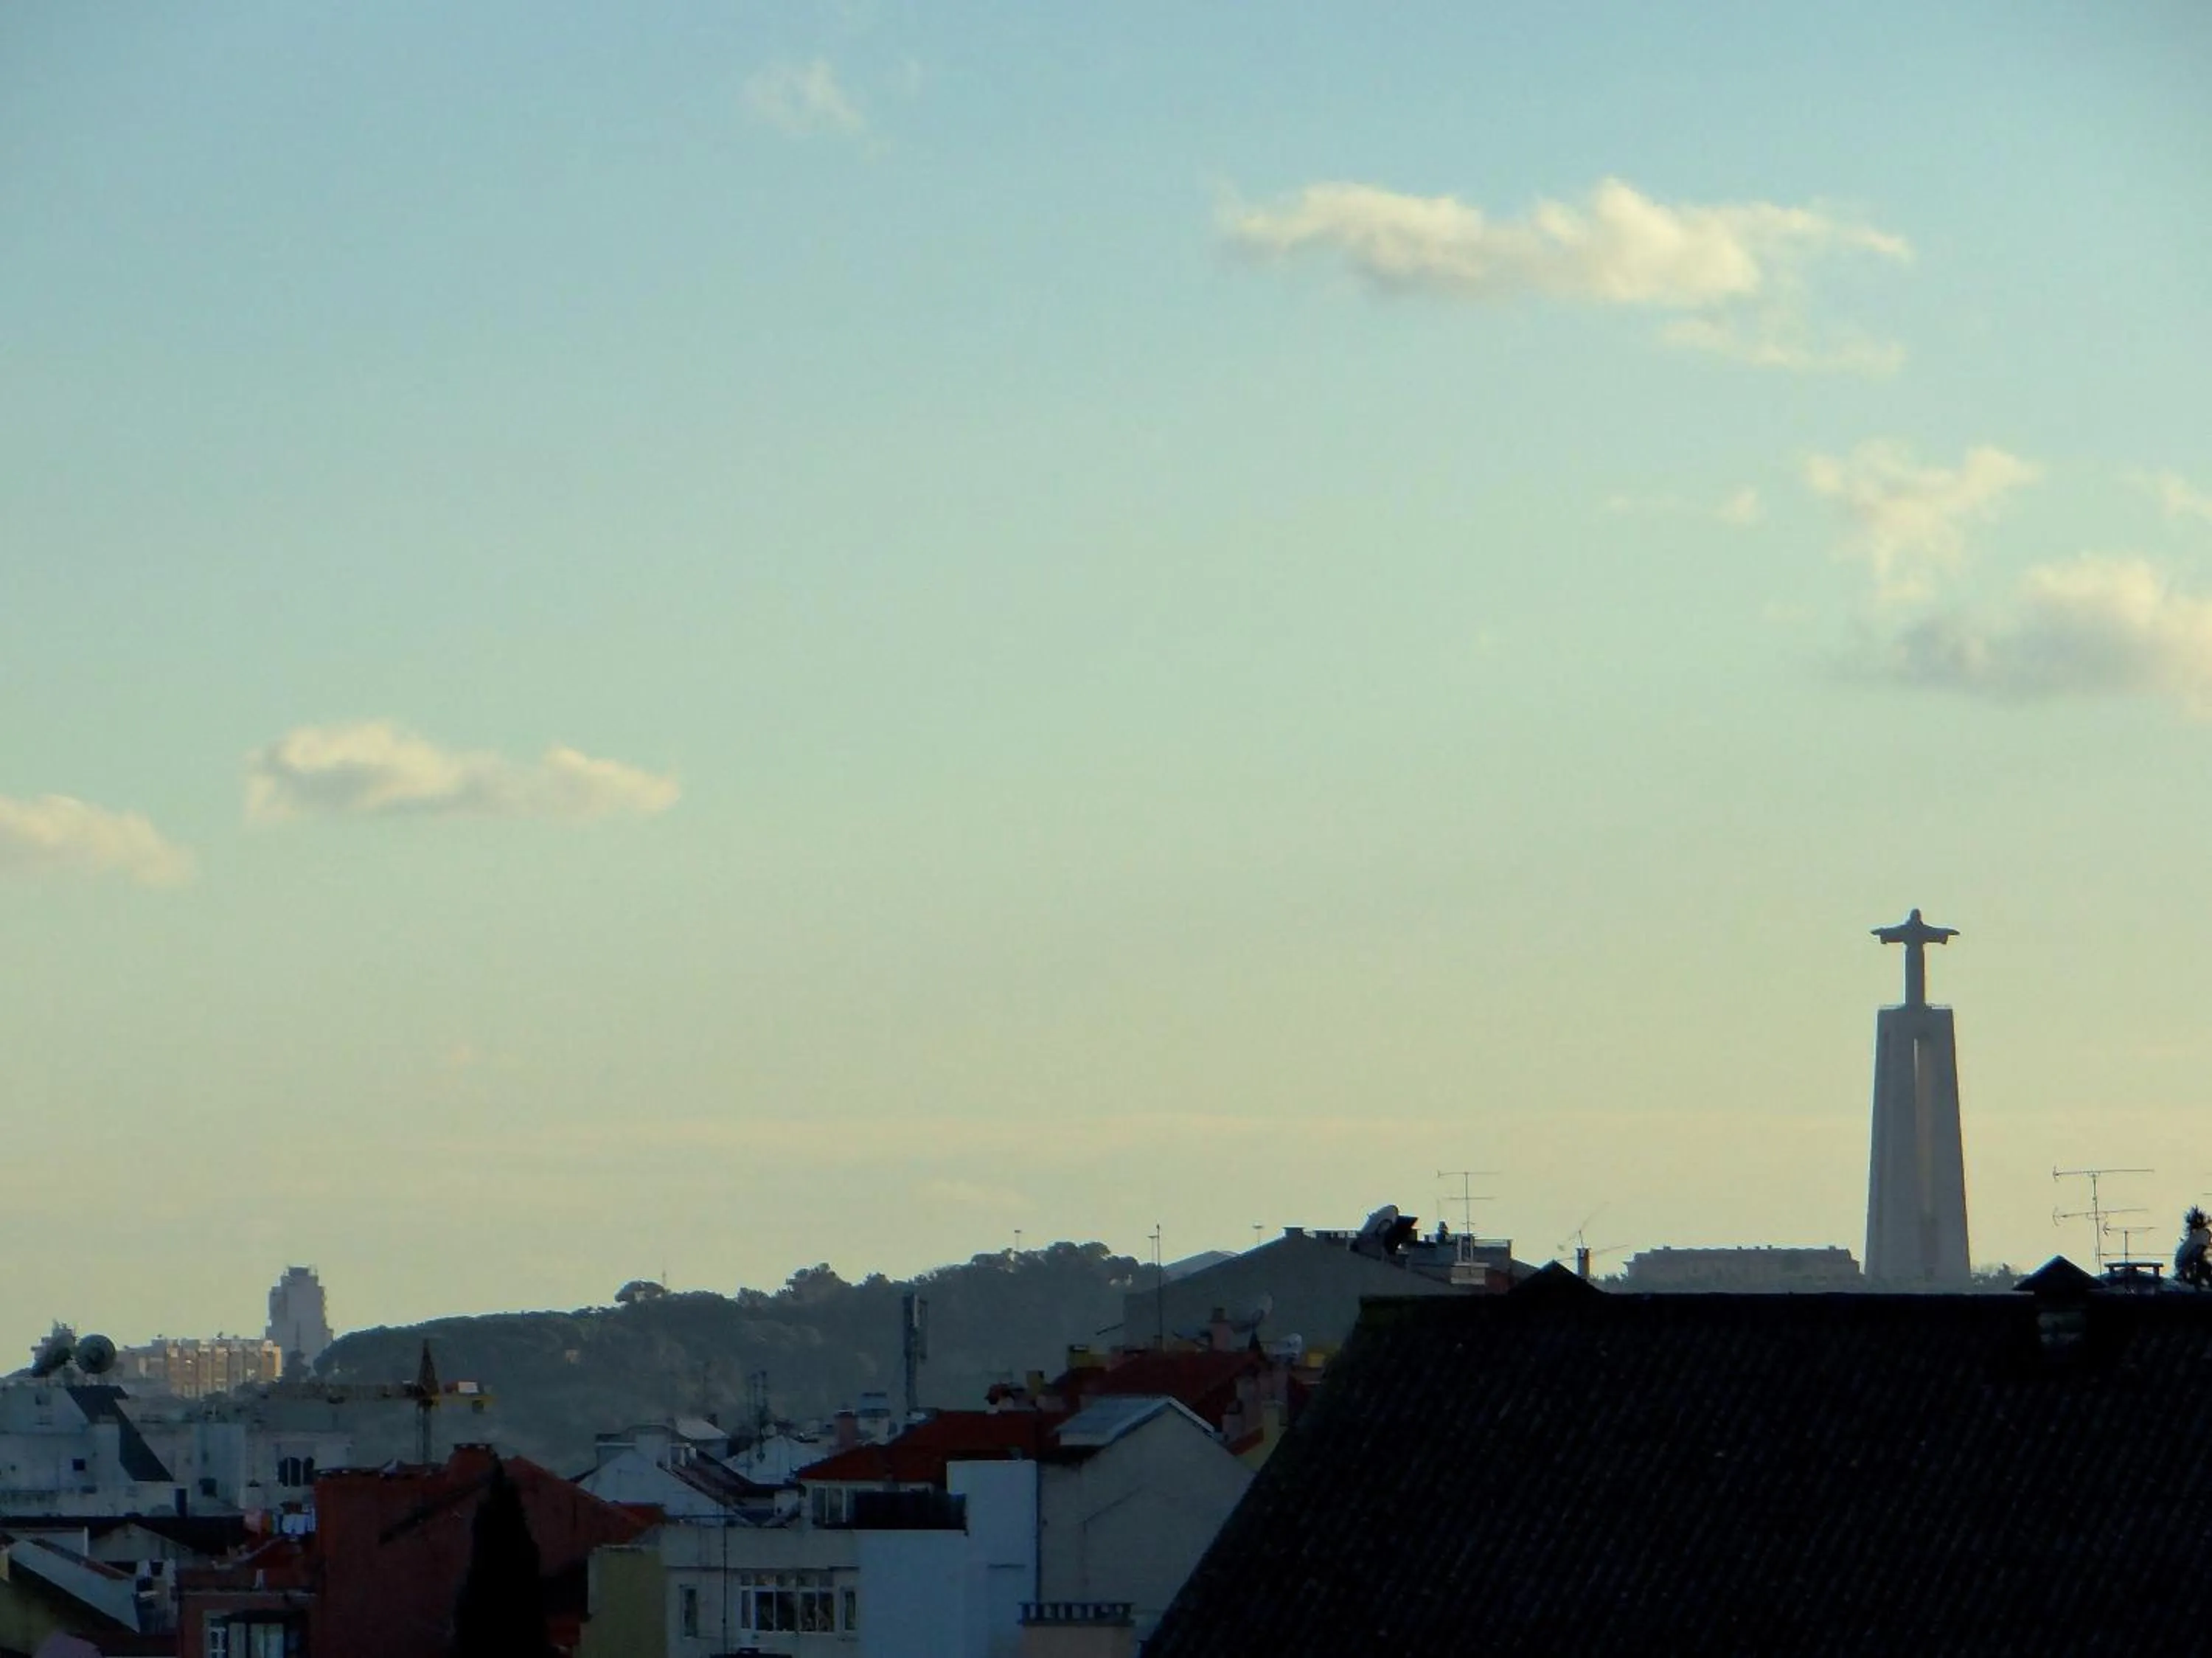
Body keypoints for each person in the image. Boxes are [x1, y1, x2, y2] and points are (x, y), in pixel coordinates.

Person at [2175, 1207, 2211, 1288]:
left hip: (2182, 1268)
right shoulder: (2204, 1235)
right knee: (2205, 1264)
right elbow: (2199, 1255)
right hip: (2186, 1270)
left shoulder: (2194, 1237)